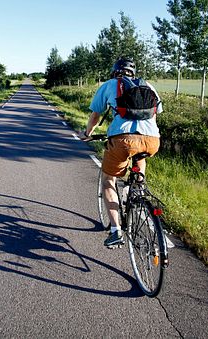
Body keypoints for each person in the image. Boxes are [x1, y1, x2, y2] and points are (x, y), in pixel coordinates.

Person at [81, 57, 163, 247]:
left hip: (122, 140)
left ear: (115, 71)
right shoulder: (147, 85)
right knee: (140, 154)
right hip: (152, 140)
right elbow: (156, 111)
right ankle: (138, 187)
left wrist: (87, 134)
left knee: (108, 180)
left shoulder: (110, 85)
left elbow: (95, 115)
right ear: (132, 73)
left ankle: (115, 231)